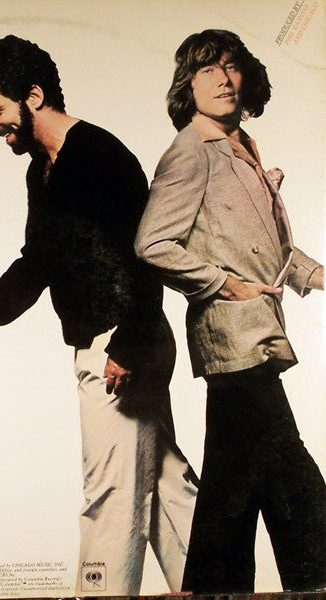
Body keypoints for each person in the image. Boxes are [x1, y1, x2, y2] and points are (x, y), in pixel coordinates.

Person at [0, 35, 198, 596]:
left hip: (122, 342)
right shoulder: (42, 169)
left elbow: (146, 253)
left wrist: (128, 345)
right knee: (166, 489)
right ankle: (215, 585)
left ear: (33, 96)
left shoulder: (100, 155)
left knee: (111, 495)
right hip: (112, 340)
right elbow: (39, 258)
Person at [134, 29, 326, 594]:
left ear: (246, 77)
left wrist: (316, 275)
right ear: (188, 84)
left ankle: (215, 587)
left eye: (230, 66)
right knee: (294, 479)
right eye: (206, 69)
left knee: (233, 486)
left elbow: (268, 243)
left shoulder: (238, 143)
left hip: (257, 332)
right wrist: (222, 283)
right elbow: (152, 244)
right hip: (232, 338)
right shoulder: (190, 151)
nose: (221, 78)